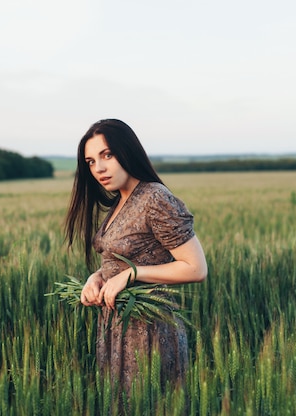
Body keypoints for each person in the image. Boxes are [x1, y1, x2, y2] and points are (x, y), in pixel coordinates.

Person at [64, 118, 208, 396]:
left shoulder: (154, 198)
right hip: (116, 325)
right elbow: (118, 256)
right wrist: (96, 278)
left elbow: (195, 268)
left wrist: (131, 274)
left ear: (127, 151)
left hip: (150, 329)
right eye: (91, 161)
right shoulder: (120, 200)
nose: (99, 168)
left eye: (107, 155)